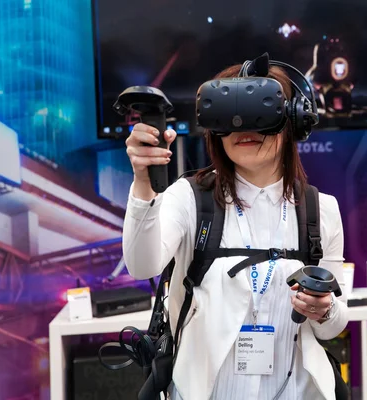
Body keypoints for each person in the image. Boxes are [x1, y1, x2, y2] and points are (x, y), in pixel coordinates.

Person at [122, 64, 348, 400]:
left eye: (263, 110)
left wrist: (323, 308)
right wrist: (144, 182)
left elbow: (333, 325)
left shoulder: (321, 210)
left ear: (295, 120)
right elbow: (142, 266)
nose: (244, 126)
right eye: (230, 112)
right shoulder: (190, 199)